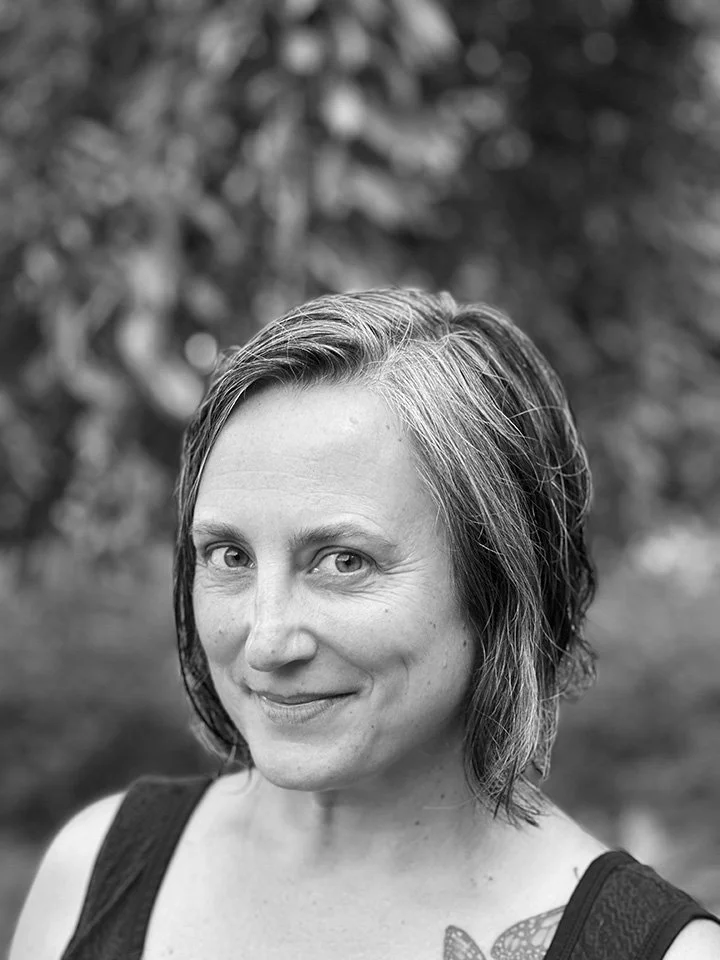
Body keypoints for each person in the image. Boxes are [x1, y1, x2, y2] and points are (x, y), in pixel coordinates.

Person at [10, 289, 720, 960]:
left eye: (343, 562)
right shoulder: (94, 871)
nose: (265, 641)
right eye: (229, 555)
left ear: (499, 582)